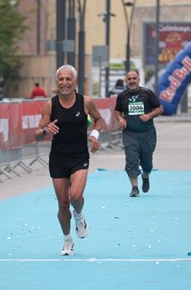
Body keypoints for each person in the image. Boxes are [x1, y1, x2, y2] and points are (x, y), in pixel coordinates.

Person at [35, 65, 105, 256]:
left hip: (79, 156)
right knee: (63, 204)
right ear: (56, 82)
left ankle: (79, 215)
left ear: (75, 82)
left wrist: (95, 135)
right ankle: (67, 240)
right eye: (61, 79)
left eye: (68, 79)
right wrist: (45, 130)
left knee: (75, 196)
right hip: (58, 158)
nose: (64, 83)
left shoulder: (85, 102)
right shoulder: (50, 105)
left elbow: (99, 120)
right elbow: (37, 134)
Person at [114, 69, 164, 197]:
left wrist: (149, 115)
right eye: (129, 79)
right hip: (130, 133)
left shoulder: (147, 93)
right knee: (131, 160)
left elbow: (160, 108)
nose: (132, 81)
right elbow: (117, 111)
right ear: (126, 80)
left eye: (134, 78)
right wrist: (120, 119)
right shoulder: (122, 96)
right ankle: (134, 187)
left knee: (147, 163)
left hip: (147, 133)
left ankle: (145, 175)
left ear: (139, 80)